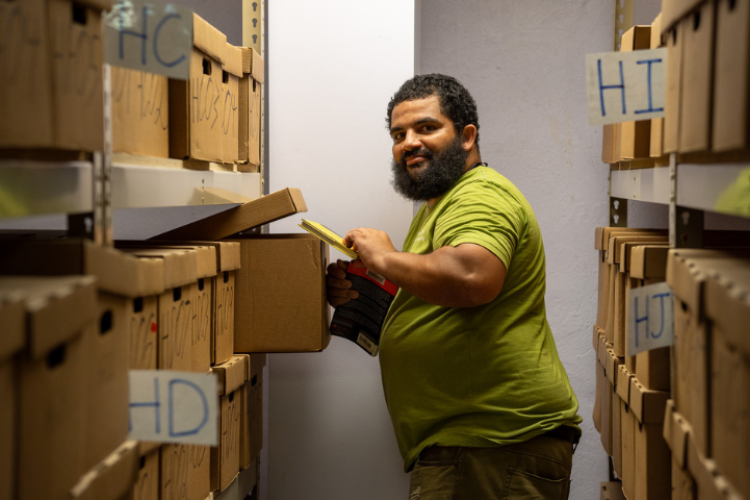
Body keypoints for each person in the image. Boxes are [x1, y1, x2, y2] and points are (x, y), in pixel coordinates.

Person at [326, 74, 581, 500]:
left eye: (426, 128)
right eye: (398, 134)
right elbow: (439, 295)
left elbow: (471, 278)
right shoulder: (440, 206)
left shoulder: (479, 195)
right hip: (474, 444)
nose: (409, 142)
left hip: (492, 442)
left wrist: (386, 257)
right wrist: (365, 288)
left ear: (466, 136)